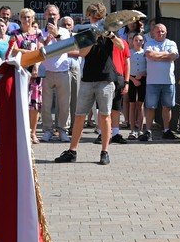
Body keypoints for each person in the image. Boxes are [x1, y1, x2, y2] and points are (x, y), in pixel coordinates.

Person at [54, 18, 126, 165]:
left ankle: (104, 152)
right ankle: (72, 151)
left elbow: (121, 47)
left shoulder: (110, 31)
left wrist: (110, 35)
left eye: (100, 17)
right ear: (90, 18)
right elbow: (83, 53)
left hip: (105, 79)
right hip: (87, 79)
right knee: (79, 116)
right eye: (95, 17)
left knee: (105, 116)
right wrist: (94, 37)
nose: (97, 21)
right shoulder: (86, 32)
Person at [6, 8, 43, 142]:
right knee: (20, 102)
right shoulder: (14, 34)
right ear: (20, 18)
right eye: (24, 17)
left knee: (34, 104)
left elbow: (41, 52)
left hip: (34, 72)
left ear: (33, 19)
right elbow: (13, 50)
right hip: (20, 71)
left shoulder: (38, 33)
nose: (26, 19)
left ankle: (33, 132)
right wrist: (31, 52)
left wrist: (36, 66)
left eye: (29, 17)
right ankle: (22, 132)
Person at [39, 6, 73, 142]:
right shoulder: (41, 32)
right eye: (49, 14)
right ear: (45, 16)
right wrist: (47, 39)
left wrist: (56, 34)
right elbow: (40, 50)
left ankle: (63, 130)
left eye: (54, 14)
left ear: (58, 16)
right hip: (46, 72)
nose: (52, 16)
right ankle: (47, 130)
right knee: (46, 105)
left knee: (64, 104)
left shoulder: (64, 31)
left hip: (62, 72)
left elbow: (66, 47)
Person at [142, 21, 179, 141]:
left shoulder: (171, 43)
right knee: (150, 107)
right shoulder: (148, 43)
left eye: (163, 31)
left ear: (166, 32)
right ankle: (148, 131)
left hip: (168, 81)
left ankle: (166, 130)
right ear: (153, 32)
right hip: (152, 81)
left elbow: (173, 56)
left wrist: (157, 56)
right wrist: (165, 55)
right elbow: (150, 55)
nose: (160, 33)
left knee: (167, 107)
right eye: (158, 31)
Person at [126, 32, 147, 140]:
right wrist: (133, 79)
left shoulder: (146, 53)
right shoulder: (129, 52)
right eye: (136, 40)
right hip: (131, 79)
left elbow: (149, 68)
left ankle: (140, 130)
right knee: (132, 105)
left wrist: (142, 74)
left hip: (143, 79)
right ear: (132, 41)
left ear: (143, 42)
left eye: (140, 40)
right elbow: (125, 69)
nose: (138, 42)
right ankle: (132, 130)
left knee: (141, 105)